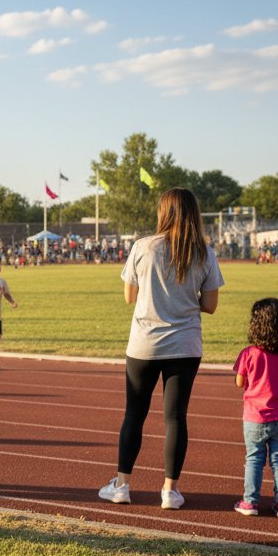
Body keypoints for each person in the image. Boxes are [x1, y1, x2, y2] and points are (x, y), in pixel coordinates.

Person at [99, 188, 224, 510]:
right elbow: (210, 304)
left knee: (134, 414)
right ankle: (170, 490)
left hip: (144, 344)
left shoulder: (143, 247)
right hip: (185, 345)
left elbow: (129, 297)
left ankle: (122, 485)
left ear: (164, 212)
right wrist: (183, 301)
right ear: (194, 214)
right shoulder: (204, 252)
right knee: (176, 418)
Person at [232, 298, 278, 518]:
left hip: (255, 417)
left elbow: (239, 382)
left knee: (254, 458)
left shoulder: (249, 354)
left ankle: (250, 502)